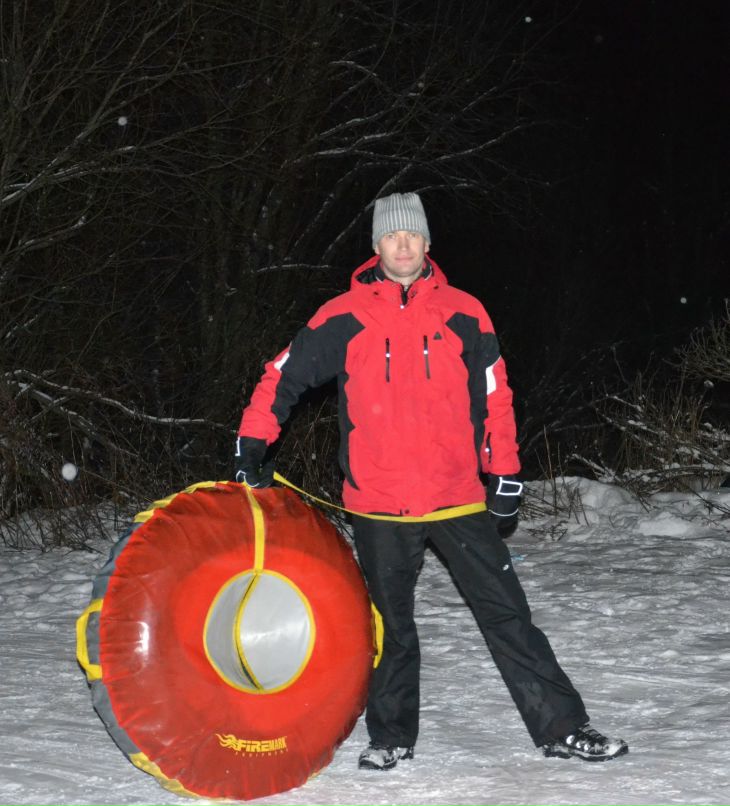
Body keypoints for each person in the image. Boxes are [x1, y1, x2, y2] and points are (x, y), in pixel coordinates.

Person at [234, 192, 628, 770]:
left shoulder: (466, 312)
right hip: (379, 504)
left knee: (509, 617)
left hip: (457, 498)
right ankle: (390, 736)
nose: (403, 246)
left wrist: (507, 472)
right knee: (389, 627)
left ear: (427, 244)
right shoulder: (342, 315)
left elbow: (497, 399)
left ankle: (563, 728)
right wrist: (253, 442)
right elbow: (281, 377)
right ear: (375, 246)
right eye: (392, 237)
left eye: (412, 236)